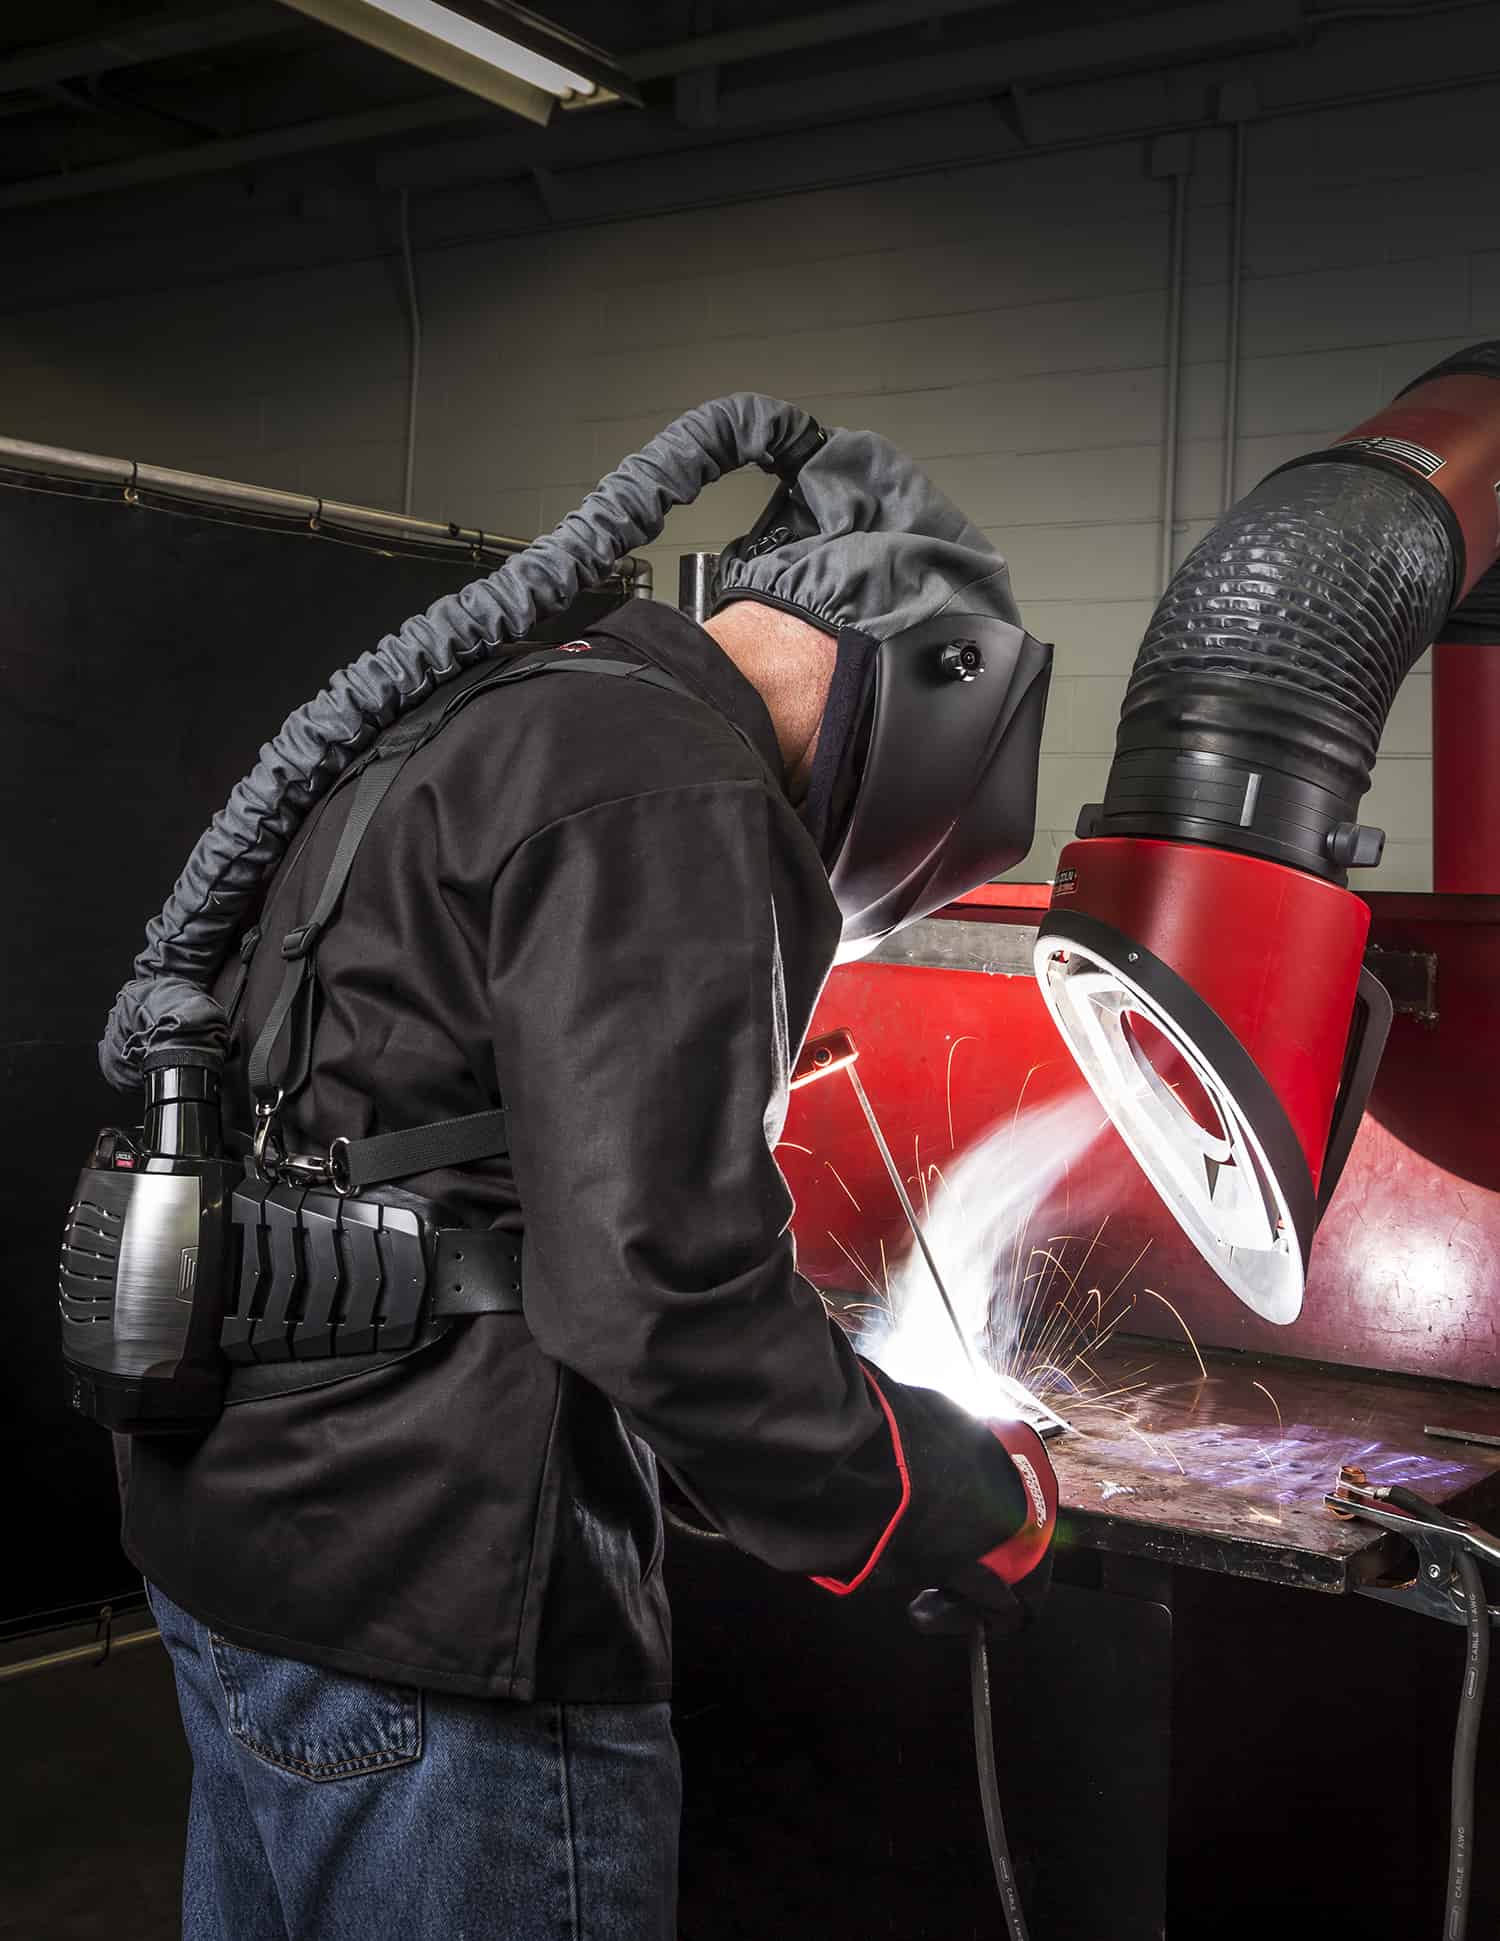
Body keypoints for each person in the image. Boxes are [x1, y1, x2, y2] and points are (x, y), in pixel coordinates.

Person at [114, 397, 1058, 1940]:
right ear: (941, 699)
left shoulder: (498, 715)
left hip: (247, 1560)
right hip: (445, 1619)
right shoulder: (666, 773)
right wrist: (937, 1486)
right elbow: (657, 1290)